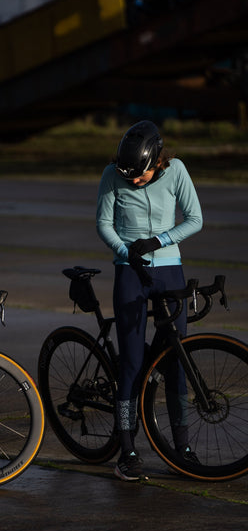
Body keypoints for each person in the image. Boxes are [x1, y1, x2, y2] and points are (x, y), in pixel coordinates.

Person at [96, 120, 203, 481]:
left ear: (157, 161)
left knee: (177, 361)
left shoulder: (177, 171)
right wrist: (127, 251)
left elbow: (195, 220)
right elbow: (103, 224)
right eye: (129, 177)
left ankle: (182, 446)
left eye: (140, 176)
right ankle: (126, 450)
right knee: (131, 362)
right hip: (129, 271)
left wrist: (158, 242)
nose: (134, 181)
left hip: (169, 267)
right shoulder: (113, 174)